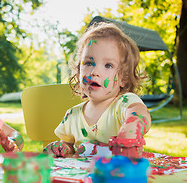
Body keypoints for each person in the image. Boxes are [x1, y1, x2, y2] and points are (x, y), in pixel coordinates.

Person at [44, 22, 151, 159]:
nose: (95, 72)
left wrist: (131, 127)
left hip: (118, 177)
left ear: (123, 78)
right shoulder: (72, 115)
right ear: (78, 71)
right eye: (88, 63)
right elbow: (69, 147)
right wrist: (61, 148)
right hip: (83, 179)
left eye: (108, 65)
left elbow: (140, 113)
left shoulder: (124, 103)